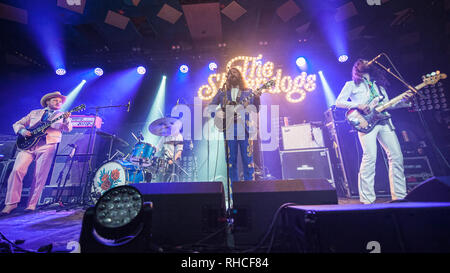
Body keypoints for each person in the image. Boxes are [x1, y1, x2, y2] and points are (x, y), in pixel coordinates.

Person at [335, 59, 413, 204]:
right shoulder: (351, 85)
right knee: (370, 157)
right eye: (362, 61)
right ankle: (367, 200)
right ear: (356, 68)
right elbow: (338, 102)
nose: (366, 62)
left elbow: (388, 105)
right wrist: (358, 105)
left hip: (384, 121)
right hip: (366, 122)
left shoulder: (379, 86)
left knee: (396, 156)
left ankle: (399, 197)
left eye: (367, 60)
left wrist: (406, 101)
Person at [1, 92, 72, 215]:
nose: (58, 102)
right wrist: (23, 131)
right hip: (28, 145)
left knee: (39, 175)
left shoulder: (61, 115)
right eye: (55, 100)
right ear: (47, 102)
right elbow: (17, 124)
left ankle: (31, 204)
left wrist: (66, 119)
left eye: (60, 101)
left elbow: (68, 128)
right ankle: (10, 204)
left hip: (47, 145)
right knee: (16, 170)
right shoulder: (34, 113)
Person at [209, 67, 260, 183]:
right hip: (229, 130)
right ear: (227, 77)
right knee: (231, 164)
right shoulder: (222, 93)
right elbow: (210, 107)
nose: (233, 74)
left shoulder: (249, 92)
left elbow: (256, 109)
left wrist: (257, 98)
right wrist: (218, 116)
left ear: (240, 76)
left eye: (235, 72)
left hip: (245, 130)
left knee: (248, 162)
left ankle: (250, 193)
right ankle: (234, 196)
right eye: (230, 73)